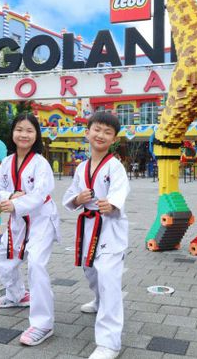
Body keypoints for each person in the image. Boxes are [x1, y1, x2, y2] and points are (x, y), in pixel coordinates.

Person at [62, 111, 130, 359]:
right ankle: (100, 300)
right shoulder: (82, 167)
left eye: (107, 132)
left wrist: (112, 203)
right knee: (91, 271)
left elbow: (121, 191)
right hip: (88, 227)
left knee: (108, 277)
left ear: (114, 139)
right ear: (87, 132)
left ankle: (109, 343)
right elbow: (71, 195)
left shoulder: (115, 166)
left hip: (110, 227)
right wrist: (77, 199)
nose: (101, 135)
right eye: (97, 129)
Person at [0, 113, 60, 346]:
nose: (24, 134)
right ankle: (17, 295)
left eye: (30, 130)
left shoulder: (41, 163)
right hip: (18, 219)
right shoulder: (6, 162)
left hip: (41, 219)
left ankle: (43, 324)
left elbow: (40, 194)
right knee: (3, 255)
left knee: (36, 264)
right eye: (19, 129)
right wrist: (11, 196)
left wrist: (18, 202)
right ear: (12, 132)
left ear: (36, 135)